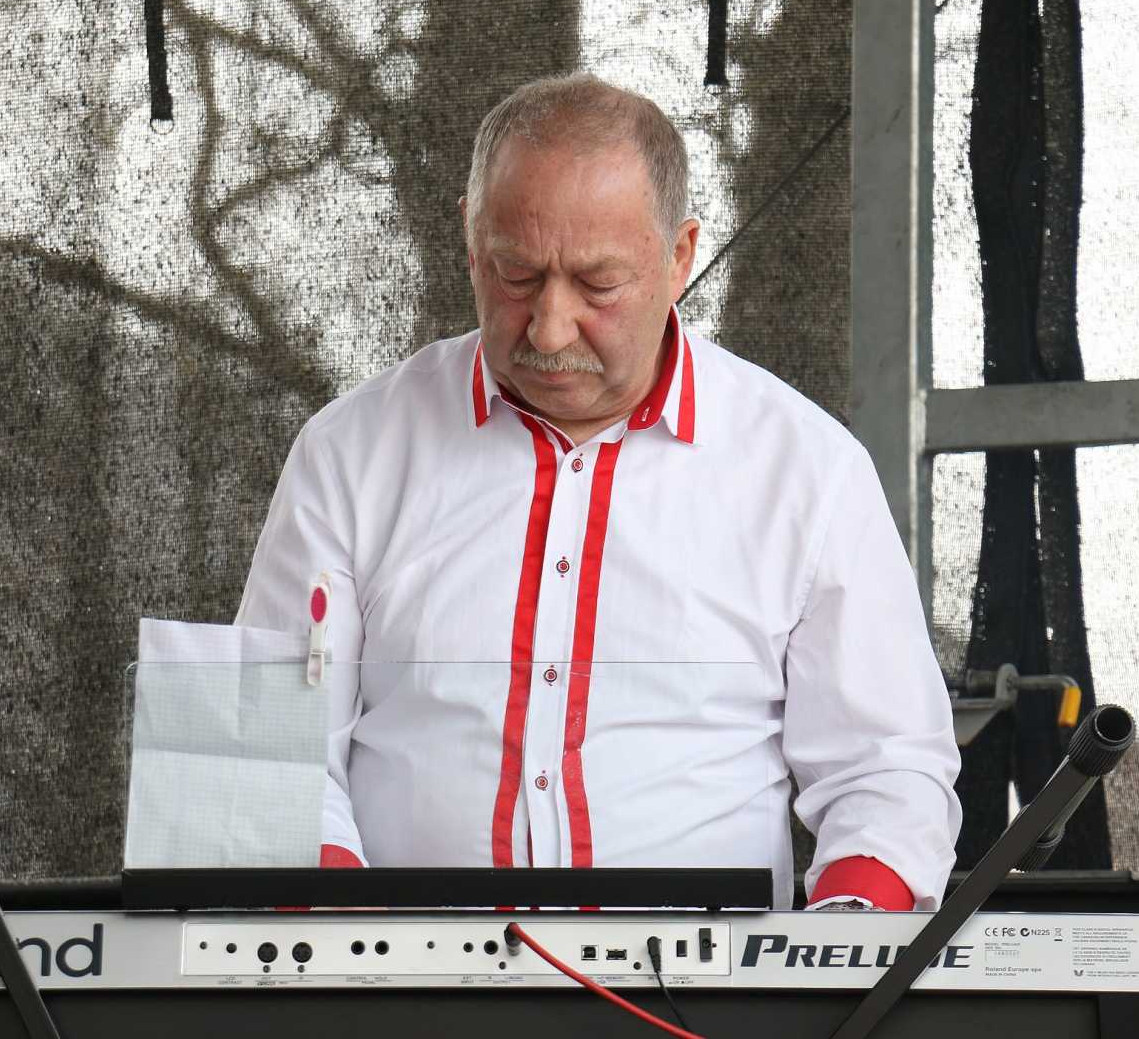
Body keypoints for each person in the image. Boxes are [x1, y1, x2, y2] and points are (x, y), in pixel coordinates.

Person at [236, 74, 960, 910]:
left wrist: (842, 949)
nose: (549, 328)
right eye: (515, 275)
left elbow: (887, 770)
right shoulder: (350, 452)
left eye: (598, 284)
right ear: (471, 243)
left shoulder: (806, 470)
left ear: (680, 257)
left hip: (713, 989)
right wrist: (332, 943)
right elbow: (270, 748)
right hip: (392, 979)